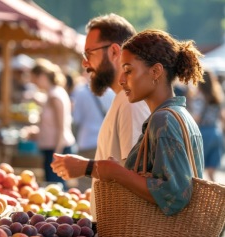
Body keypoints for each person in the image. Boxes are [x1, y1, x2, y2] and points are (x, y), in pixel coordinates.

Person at [51, 29, 205, 217]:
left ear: (156, 71)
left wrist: (111, 170)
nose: (122, 80)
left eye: (128, 71)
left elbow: (173, 195)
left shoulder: (163, 119)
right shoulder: (179, 116)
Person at [54, 13, 150, 220]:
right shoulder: (123, 99)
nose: (85, 63)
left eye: (89, 53)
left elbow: (137, 179)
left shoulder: (131, 103)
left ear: (115, 51)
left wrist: (85, 167)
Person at [30, 58, 76, 188]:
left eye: (35, 78)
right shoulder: (52, 94)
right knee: (53, 188)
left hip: (56, 149)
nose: (34, 83)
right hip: (52, 149)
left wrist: (57, 154)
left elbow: (62, 128)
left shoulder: (55, 95)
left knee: (56, 188)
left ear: (43, 76)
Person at [189, 69, 224, 181]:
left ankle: (198, 197)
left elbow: (196, 118)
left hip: (203, 134)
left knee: (196, 171)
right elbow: (222, 117)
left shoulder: (200, 98)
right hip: (216, 133)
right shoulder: (218, 97)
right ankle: (217, 196)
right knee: (211, 173)